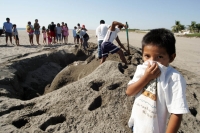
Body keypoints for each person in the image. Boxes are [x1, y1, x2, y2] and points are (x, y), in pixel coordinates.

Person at [126, 28, 189, 133]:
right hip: (137, 125)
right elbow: (129, 91)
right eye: (147, 56)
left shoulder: (173, 78)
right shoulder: (142, 69)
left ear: (171, 57)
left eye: (159, 57)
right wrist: (146, 77)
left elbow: (177, 112)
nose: (152, 62)